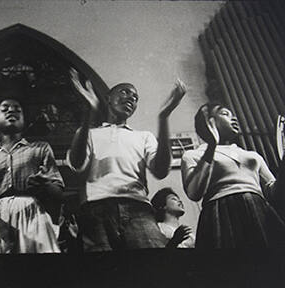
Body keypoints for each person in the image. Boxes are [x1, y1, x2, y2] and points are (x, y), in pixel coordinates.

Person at [66, 68, 187, 251]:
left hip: (138, 209)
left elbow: (161, 170)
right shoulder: (90, 134)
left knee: (152, 270)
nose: (131, 98)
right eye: (125, 92)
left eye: (135, 97)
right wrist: (89, 112)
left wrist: (164, 118)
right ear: (108, 98)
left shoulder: (143, 136)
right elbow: (76, 164)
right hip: (96, 209)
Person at [0, 97, 65, 254]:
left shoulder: (40, 149)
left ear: (25, 120)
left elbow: (58, 193)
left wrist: (44, 184)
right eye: (4, 109)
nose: (11, 111)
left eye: (17, 109)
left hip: (32, 214)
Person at [181, 103, 285, 248]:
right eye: (225, 114)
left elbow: (275, 194)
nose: (234, 118)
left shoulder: (252, 155)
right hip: (221, 212)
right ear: (209, 121)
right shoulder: (193, 155)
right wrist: (212, 146)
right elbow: (194, 193)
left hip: (259, 209)